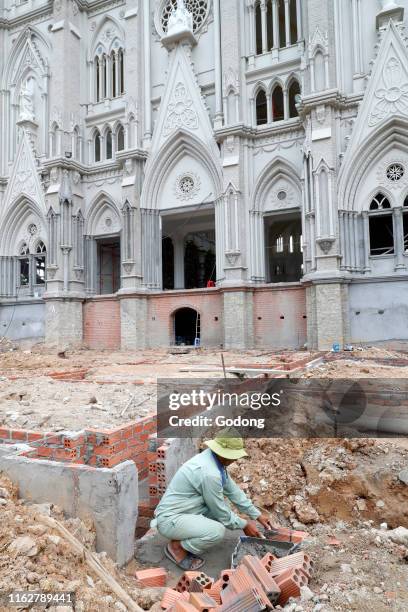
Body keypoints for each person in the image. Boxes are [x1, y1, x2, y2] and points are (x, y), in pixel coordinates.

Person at [152, 428, 273, 570]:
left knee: (223, 512)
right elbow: (220, 512)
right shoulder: (210, 473)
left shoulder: (213, 459)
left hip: (187, 510)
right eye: (233, 456)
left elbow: (233, 491)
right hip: (170, 519)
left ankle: (183, 535)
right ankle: (177, 547)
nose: (235, 459)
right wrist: (244, 525)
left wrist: (256, 515)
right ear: (223, 453)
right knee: (216, 531)